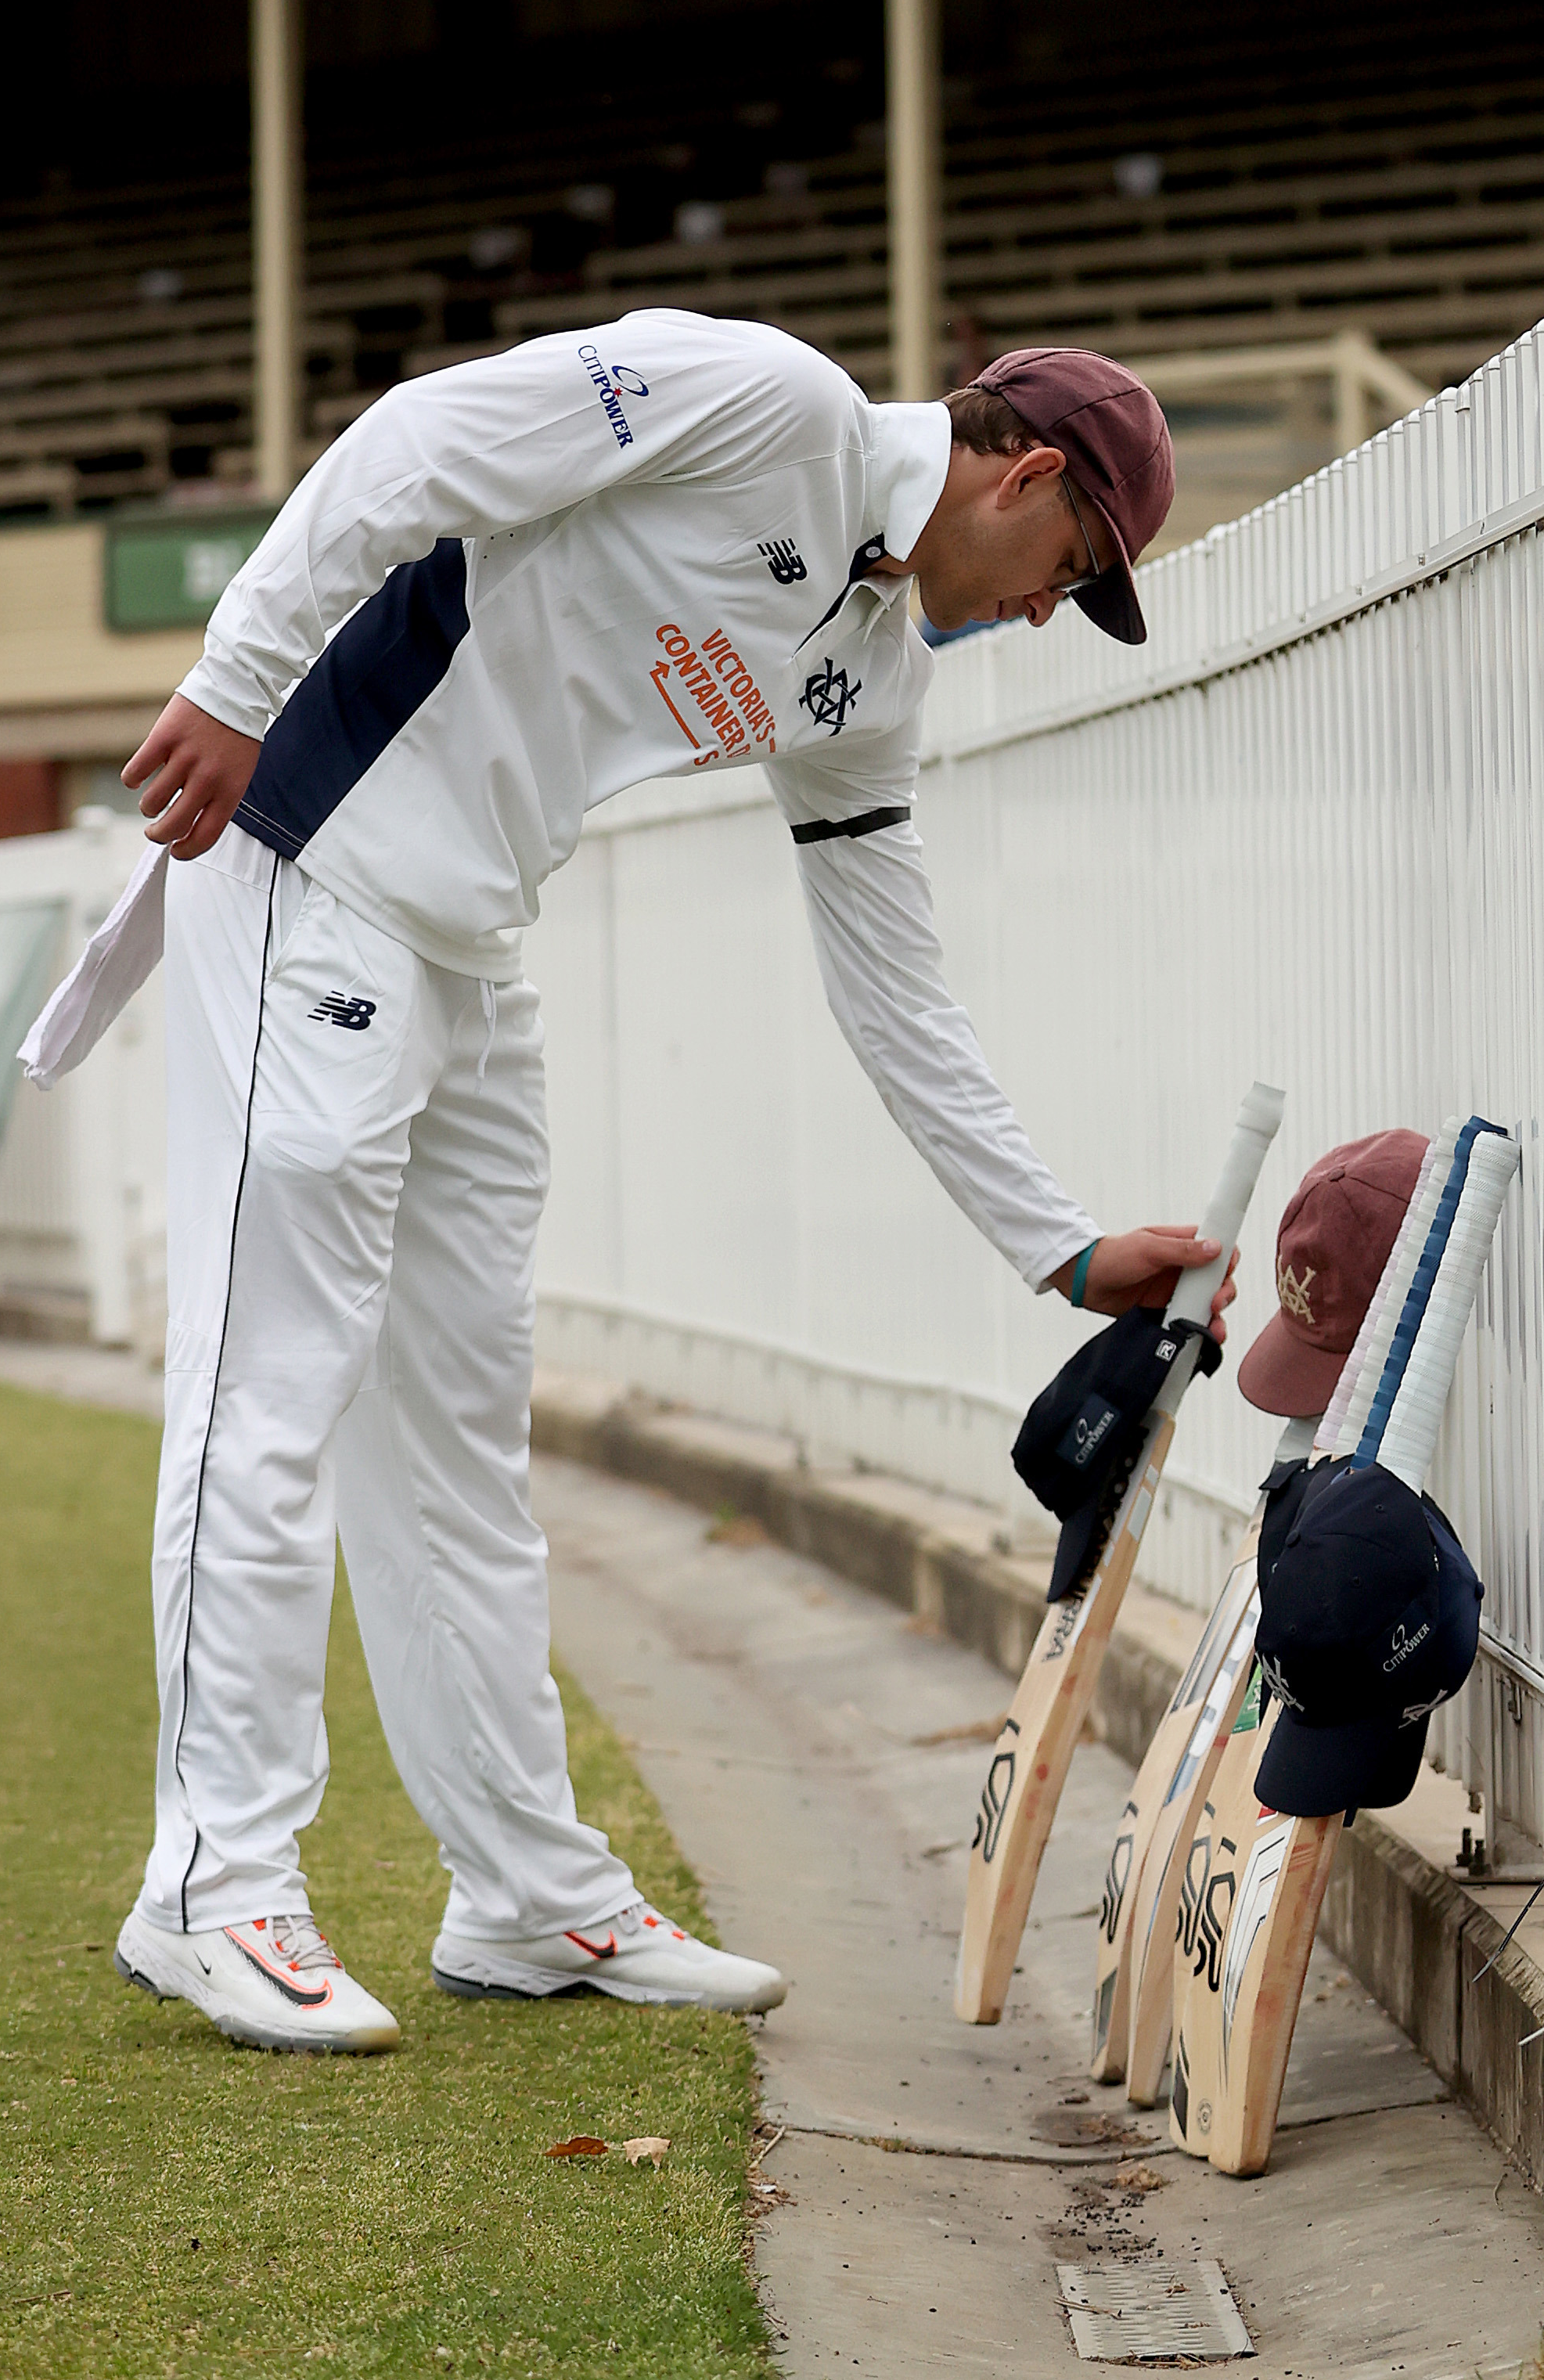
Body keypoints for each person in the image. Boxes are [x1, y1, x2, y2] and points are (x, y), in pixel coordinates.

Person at [97, 310, 1236, 2052]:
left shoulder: (878, 674)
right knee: (268, 1395)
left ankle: (524, 1892)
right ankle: (213, 1881)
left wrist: (1059, 1247)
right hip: (306, 868)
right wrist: (234, 685)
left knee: (464, 1442)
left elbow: (890, 982)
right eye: (1062, 570)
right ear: (1025, 474)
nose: (1034, 616)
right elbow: (418, 443)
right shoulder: (769, 404)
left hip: (469, 948)